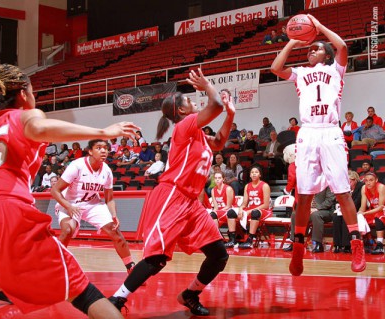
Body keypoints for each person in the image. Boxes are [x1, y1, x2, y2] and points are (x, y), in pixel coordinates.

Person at [0, 64, 138, 319]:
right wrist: (104, 132)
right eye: (33, 91)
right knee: (81, 290)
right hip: (4, 214)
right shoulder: (23, 116)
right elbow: (39, 128)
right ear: (24, 94)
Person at [108, 68, 235, 316]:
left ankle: (190, 294)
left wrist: (230, 116)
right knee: (157, 258)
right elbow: (216, 104)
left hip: (190, 203)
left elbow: (219, 142)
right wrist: (208, 86)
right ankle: (116, 299)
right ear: (181, 111)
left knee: (219, 255)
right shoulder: (184, 127)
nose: (193, 101)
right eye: (188, 100)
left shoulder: (197, 132)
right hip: (172, 196)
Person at [271, 14, 366, 275]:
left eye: (317, 49)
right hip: (309, 133)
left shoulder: (336, 70)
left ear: (325, 55)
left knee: (342, 192)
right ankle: (299, 245)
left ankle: (357, 244)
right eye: (310, 49)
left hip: (331, 132)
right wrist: (293, 41)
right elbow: (275, 68)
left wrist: (318, 28)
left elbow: (343, 47)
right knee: (304, 196)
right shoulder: (300, 74)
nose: (312, 51)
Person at [51, 139, 136, 272]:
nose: (103, 151)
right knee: (67, 231)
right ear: (90, 151)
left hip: (92, 204)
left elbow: (109, 199)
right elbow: (55, 190)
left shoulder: (107, 171)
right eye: (99, 148)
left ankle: (131, 267)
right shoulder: (77, 166)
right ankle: (55, 265)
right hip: (70, 203)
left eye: (106, 148)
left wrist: (113, 215)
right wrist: (68, 206)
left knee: (115, 232)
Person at [224, 166, 271, 249]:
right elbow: (245, 203)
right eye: (252, 172)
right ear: (249, 175)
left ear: (260, 175)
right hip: (251, 210)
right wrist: (241, 209)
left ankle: (250, 240)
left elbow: (266, 205)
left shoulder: (265, 186)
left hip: (263, 210)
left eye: (256, 172)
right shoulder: (247, 186)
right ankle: (232, 239)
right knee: (231, 212)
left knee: (255, 213)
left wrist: (250, 211)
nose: (254, 174)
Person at [332, 170, 364, 253]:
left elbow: (358, 202)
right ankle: (337, 244)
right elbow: (337, 200)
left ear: (355, 180)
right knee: (335, 217)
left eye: (349, 181)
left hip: (357, 210)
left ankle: (347, 245)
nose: (347, 183)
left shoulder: (360, 187)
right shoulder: (345, 188)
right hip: (343, 209)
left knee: (346, 217)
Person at [358, 172, 385, 255]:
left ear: (376, 180)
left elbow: (381, 206)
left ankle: (380, 245)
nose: (368, 182)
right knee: (360, 218)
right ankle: (368, 242)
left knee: (379, 216)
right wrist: (359, 214)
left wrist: (365, 213)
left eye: (371, 180)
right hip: (374, 210)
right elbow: (363, 207)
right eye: (366, 180)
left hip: (382, 209)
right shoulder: (364, 188)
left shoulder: (381, 187)